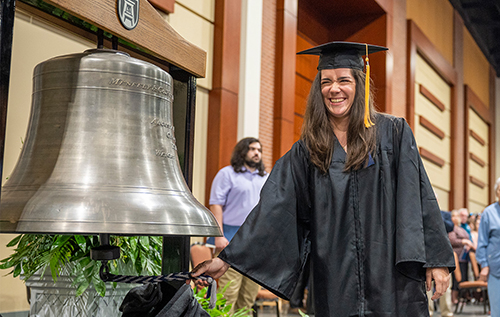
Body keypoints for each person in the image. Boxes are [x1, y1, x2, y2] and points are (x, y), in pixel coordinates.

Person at [192, 42, 454, 316]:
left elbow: (418, 195)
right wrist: (228, 259)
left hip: (389, 274)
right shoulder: (308, 150)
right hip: (334, 277)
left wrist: (436, 259)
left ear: (360, 84)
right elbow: (274, 209)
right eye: (326, 82)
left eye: (344, 80)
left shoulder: (393, 133)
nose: (334, 89)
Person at [206, 137, 268, 314]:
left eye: (259, 150)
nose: (257, 153)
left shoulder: (265, 178)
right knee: (228, 295)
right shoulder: (227, 174)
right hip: (231, 240)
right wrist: (218, 235)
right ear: (242, 151)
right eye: (252, 149)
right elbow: (215, 204)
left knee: (248, 297)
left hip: (256, 243)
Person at [477, 177, 500, 317]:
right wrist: (484, 265)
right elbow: (482, 242)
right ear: (497, 192)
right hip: (496, 268)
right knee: (497, 310)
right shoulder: (489, 213)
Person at [448, 210, 474, 304]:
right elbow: (452, 240)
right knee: (455, 279)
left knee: (463, 277)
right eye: (454, 216)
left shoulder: (462, 229)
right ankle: (453, 298)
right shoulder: (451, 228)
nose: (456, 218)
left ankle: (460, 297)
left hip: (464, 257)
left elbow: (468, 238)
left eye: (457, 216)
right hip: (456, 256)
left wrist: (469, 243)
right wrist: (464, 242)